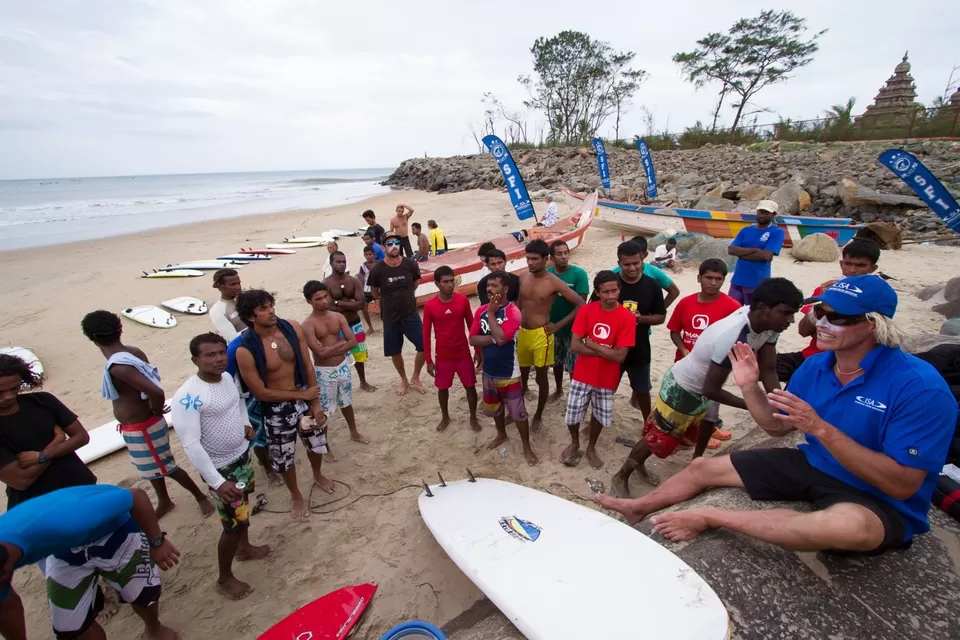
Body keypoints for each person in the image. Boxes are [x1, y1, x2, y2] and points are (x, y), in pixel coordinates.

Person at [598, 276, 957, 558]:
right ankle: (639, 508)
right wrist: (750, 387)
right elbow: (776, 426)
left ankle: (710, 517)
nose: (823, 324)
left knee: (846, 530)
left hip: (877, 496)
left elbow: (902, 484)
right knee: (701, 469)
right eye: (821, 313)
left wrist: (820, 428)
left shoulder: (919, 389)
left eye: (838, 317)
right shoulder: (817, 366)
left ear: (875, 324)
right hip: (815, 463)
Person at [608, 278, 802, 497]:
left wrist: (777, 402)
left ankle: (663, 464)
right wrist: (755, 405)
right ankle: (621, 475)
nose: (791, 320)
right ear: (763, 308)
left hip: (704, 386)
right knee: (659, 437)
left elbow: (768, 370)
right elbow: (711, 390)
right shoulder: (732, 335)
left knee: (686, 433)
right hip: (684, 388)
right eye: (786, 313)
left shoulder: (769, 325)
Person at [0, 485, 181, 640]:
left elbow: (136, 495)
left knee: (143, 595)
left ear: (4, 572)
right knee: (70, 628)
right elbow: (6, 608)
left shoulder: (69, 520)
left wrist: (157, 542)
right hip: (62, 549)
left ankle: (154, 628)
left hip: (113, 531)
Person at [81, 310, 214, 519]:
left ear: (92, 339)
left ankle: (200, 497)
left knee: (166, 466)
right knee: (152, 468)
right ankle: (165, 500)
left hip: (144, 427)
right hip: (140, 426)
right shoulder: (132, 352)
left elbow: (155, 391)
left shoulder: (118, 367)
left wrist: (155, 409)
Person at [172, 333, 271, 601]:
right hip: (221, 469)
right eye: (210, 355)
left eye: (221, 352)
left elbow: (238, 401)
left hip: (241, 456)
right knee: (232, 525)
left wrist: (245, 424)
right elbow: (191, 444)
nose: (218, 359)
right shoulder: (188, 396)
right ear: (196, 359)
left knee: (243, 510)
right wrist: (217, 482)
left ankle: (245, 548)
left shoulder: (227, 377)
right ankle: (224, 577)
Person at [233, 289, 331, 519]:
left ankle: (317, 474)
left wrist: (314, 401)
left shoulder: (292, 328)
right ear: (250, 316)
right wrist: (303, 396)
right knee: (284, 456)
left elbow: (307, 365)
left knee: (316, 442)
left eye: (271, 305)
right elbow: (261, 392)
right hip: (277, 408)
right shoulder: (245, 349)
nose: (271, 312)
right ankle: (295, 494)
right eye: (263, 309)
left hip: (304, 395)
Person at [777, 238, 881, 384]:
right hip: (812, 356)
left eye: (860, 265)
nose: (852, 270)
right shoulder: (826, 290)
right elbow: (803, 331)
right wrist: (823, 302)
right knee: (762, 365)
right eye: (848, 263)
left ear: (872, 268)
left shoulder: (878, 295)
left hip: (848, 363)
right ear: (841, 264)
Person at [560, 271, 636, 469]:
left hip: (607, 377)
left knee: (599, 415)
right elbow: (575, 346)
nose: (611, 296)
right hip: (582, 374)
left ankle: (591, 447)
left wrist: (592, 345)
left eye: (614, 291)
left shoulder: (627, 317)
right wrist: (606, 351)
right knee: (573, 413)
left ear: (620, 289)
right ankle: (575, 441)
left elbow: (620, 356)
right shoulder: (586, 311)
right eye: (606, 292)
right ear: (597, 292)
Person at [0, 354, 95, 509]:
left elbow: (82, 437)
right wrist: (57, 442)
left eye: (14, 388)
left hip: (82, 487)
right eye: (0, 392)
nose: (9, 396)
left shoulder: (43, 401)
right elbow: (22, 481)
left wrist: (42, 456)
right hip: (38, 507)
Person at [666, 258, 742, 449]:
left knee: (712, 402)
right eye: (709, 278)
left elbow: (740, 338)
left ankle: (710, 428)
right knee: (687, 403)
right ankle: (695, 434)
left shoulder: (733, 307)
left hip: (714, 367)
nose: (713, 283)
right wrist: (683, 349)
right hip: (686, 365)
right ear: (699, 278)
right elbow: (674, 331)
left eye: (719, 279)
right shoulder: (685, 303)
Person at [469, 273, 538, 466]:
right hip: (488, 372)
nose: (489, 289)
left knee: (518, 413)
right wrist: (492, 337)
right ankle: (501, 435)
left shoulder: (513, 312)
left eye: (494, 286)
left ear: (505, 289)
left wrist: (492, 315)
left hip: (509, 373)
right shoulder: (480, 310)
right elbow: (473, 339)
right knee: (494, 408)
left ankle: (526, 446)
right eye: (488, 286)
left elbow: (502, 340)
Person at [517, 239, 585, 431]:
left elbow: (580, 304)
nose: (530, 263)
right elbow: (519, 302)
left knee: (541, 377)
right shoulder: (523, 276)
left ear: (546, 259)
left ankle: (538, 415)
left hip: (542, 334)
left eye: (535, 259)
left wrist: (559, 325)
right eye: (528, 258)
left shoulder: (554, 282)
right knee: (521, 376)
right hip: (523, 332)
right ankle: (518, 409)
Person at [606, 241, 667, 422]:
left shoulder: (652, 285)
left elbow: (660, 317)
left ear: (642, 260)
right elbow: (594, 310)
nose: (632, 268)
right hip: (612, 347)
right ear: (619, 263)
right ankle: (599, 421)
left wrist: (640, 319)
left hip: (639, 346)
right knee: (607, 389)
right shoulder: (610, 284)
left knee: (642, 390)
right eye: (627, 264)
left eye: (636, 263)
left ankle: (647, 422)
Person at [302, 280, 369, 446]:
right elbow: (320, 353)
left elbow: (353, 342)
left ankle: (354, 432)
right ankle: (324, 444)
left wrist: (332, 348)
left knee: (347, 402)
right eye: (318, 299)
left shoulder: (337, 317)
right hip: (324, 372)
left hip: (342, 366)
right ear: (309, 301)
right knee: (323, 410)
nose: (324, 301)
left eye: (325, 296)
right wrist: (340, 345)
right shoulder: (308, 325)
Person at [423, 266, 482, 432]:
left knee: (470, 386)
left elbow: (472, 327)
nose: (450, 285)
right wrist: (428, 360)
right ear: (437, 284)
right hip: (443, 356)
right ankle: (445, 417)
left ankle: (472, 416)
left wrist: (477, 351)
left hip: (463, 353)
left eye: (451, 281)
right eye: (445, 282)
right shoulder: (430, 306)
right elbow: (426, 334)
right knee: (442, 389)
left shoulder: (462, 300)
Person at [367, 232, 427, 396]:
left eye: (396, 243)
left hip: (410, 314)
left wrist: (404, 296)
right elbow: (374, 291)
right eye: (390, 243)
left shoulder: (410, 264)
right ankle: (403, 379)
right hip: (390, 317)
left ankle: (416, 376)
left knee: (424, 346)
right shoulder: (378, 270)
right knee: (395, 351)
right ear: (384, 247)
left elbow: (415, 283)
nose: (394, 246)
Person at [225, 332, 282, 488]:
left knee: (274, 428)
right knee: (257, 435)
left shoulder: (274, 333)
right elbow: (227, 378)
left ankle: (274, 457)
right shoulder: (235, 348)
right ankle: (267, 467)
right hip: (249, 396)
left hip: (273, 388)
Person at [325, 251, 377, 392]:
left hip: (355, 323)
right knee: (338, 356)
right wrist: (348, 303)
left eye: (344, 261)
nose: (342, 264)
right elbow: (328, 307)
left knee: (359, 355)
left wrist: (337, 302)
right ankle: (340, 386)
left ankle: (363, 382)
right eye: (338, 262)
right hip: (337, 327)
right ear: (331, 263)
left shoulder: (352, 281)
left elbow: (361, 304)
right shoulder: (326, 283)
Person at [546, 239, 590, 400]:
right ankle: (558, 389)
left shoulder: (579, 274)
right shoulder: (548, 274)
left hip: (574, 329)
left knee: (573, 366)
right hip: (552, 327)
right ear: (551, 257)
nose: (564, 257)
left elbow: (581, 305)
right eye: (559, 254)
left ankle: (574, 394)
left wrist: (559, 325)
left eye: (566, 253)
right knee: (556, 362)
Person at [727, 200, 786, 306]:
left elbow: (766, 256)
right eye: (761, 211)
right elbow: (731, 250)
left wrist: (741, 253)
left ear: (773, 215)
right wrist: (755, 250)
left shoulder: (777, 232)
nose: (762, 215)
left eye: (766, 213)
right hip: (738, 279)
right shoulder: (746, 230)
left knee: (753, 312)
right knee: (732, 310)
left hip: (757, 281)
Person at [611, 236, 680, 309]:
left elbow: (674, 291)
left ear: (644, 255)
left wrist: (659, 310)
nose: (632, 268)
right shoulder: (614, 274)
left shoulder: (654, 272)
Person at [210, 268, 245, 342]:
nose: (238, 287)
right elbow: (232, 338)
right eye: (233, 284)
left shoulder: (248, 299)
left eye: (239, 283)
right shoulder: (217, 310)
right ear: (220, 286)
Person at [358, 245, 378, 334]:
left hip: (377, 289)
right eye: (366, 255)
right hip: (366, 290)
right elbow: (361, 278)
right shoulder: (363, 266)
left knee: (383, 308)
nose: (368, 256)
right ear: (364, 255)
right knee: (364, 309)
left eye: (370, 254)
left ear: (374, 255)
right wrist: (361, 290)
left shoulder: (378, 265)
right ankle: (370, 327)